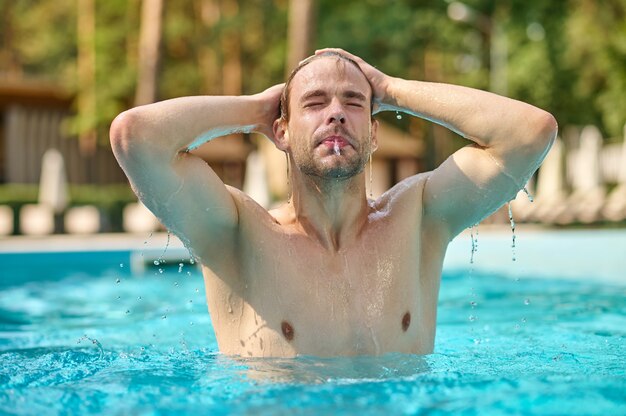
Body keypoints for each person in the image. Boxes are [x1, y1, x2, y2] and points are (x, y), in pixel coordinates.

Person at [110, 48, 557, 358]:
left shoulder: (418, 217)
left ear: (374, 133)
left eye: (356, 102)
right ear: (281, 132)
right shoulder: (238, 232)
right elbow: (135, 137)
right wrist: (256, 110)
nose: (336, 112)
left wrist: (393, 89)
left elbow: (530, 132)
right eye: (315, 102)